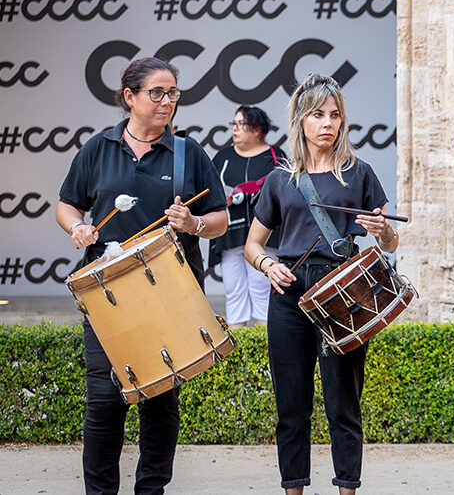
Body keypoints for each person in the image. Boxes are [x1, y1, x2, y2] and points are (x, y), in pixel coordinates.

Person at [55, 56, 227, 494]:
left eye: (173, 93)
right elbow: (67, 203)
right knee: (104, 403)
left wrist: (193, 225)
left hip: (170, 293)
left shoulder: (189, 152)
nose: (167, 101)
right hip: (106, 293)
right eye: (157, 93)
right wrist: (77, 226)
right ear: (129, 97)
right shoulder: (98, 148)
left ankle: (151, 491)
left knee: (161, 402)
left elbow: (220, 218)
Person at [244, 73, 397, 495]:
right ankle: (294, 488)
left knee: (343, 406)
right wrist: (267, 265)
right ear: (300, 120)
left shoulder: (359, 173)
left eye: (335, 115)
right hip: (289, 294)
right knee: (290, 409)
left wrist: (382, 230)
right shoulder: (279, 179)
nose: (328, 123)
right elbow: (253, 245)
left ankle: (347, 488)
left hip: (343, 295)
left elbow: (390, 238)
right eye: (318, 115)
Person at [209, 105, 286, 327]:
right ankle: (239, 347)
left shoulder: (275, 155)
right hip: (230, 232)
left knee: (262, 287)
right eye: (233, 124)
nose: (235, 129)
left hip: (266, 233)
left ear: (257, 129)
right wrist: (222, 199)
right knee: (234, 290)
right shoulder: (222, 157)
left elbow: (288, 190)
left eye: (241, 124)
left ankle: (265, 348)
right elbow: (209, 192)